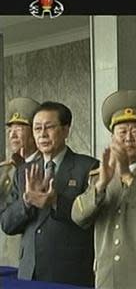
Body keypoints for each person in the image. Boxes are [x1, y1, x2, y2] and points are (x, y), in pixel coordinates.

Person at [71, 89, 136, 289]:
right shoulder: (98, 175)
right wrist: (102, 184)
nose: (129, 138)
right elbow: (78, 217)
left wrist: (128, 177)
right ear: (112, 138)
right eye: (122, 132)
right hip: (107, 277)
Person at [0, 101, 99, 287]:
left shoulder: (87, 167)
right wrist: (26, 201)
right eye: (37, 128)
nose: (42, 134)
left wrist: (56, 202)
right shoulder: (23, 172)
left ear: (66, 130)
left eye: (49, 127)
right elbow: (7, 224)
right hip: (30, 274)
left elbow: (91, 218)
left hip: (70, 274)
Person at [0, 97, 40, 267]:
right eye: (10, 129)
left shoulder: (45, 166)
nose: (12, 134)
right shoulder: (5, 170)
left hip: (33, 262)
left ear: (34, 131)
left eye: (19, 128)